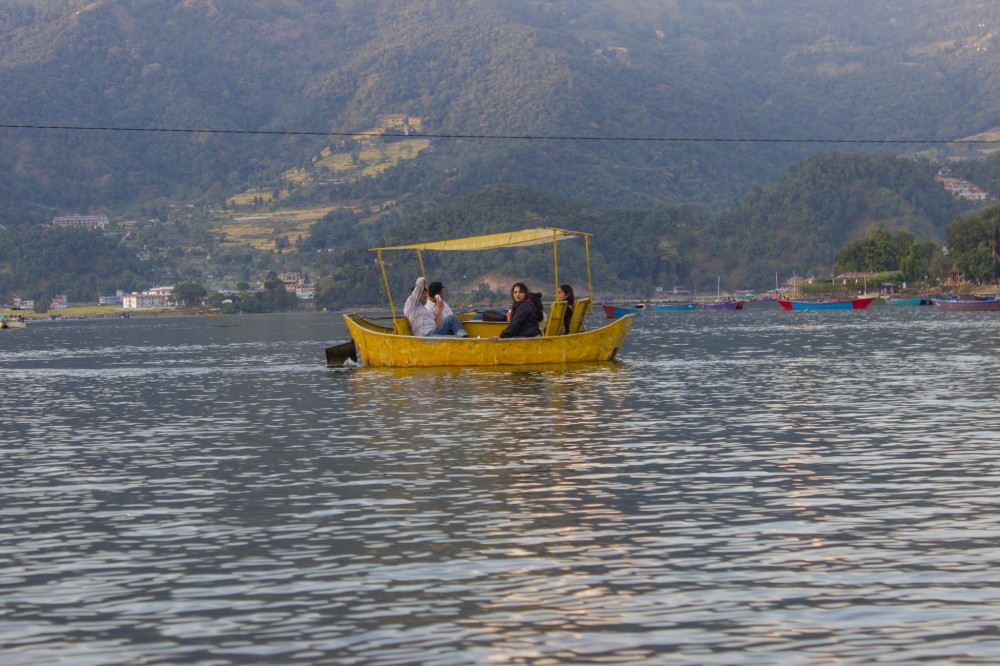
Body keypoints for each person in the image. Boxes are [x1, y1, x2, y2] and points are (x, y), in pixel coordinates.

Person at [404, 276, 468, 337]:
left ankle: (462, 336)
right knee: (452, 319)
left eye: (426, 293)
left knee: (452, 318)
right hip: (426, 336)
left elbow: (435, 325)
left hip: (435, 333)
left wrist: (440, 307)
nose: (425, 295)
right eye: (422, 293)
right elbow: (420, 282)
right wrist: (423, 280)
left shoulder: (424, 309)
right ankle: (463, 339)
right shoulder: (411, 304)